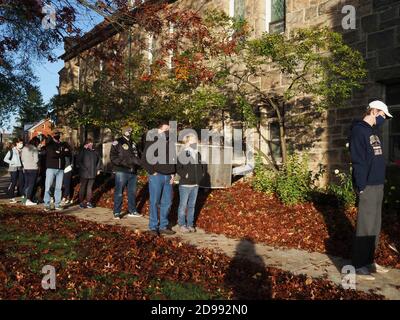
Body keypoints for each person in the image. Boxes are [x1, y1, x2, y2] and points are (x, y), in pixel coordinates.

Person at [350, 100, 393, 281]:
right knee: (365, 225)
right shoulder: (359, 131)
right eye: (383, 115)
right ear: (374, 111)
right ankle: (359, 265)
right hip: (367, 185)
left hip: (378, 184)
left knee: (375, 224)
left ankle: (369, 261)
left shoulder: (373, 132)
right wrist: (361, 186)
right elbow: (358, 160)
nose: (384, 119)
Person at [142, 120, 176, 236]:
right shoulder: (152, 141)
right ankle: (153, 226)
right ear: (159, 130)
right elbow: (145, 160)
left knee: (167, 202)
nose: (167, 132)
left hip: (168, 177)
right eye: (165, 130)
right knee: (154, 201)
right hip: (157, 176)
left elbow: (172, 159)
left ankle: (163, 226)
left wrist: (173, 173)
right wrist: (152, 171)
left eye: (169, 130)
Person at [110, 126, 142, 219]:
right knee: (119, 192)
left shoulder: (133, 142)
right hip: (122, 171)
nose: (129, 132)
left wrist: (139, 164)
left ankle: (132, 211)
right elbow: (113, 157)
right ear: (123, 131)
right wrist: (123, 163)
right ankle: (117, 212)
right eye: (128, 130)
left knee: (132, 192)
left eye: (130, 130)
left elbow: (137, 155)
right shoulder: (117, 142)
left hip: (133, 171)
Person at [176, 134, 206, 233]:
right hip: (185, 184)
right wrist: (186, 175)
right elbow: (178, 168)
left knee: (192, 206)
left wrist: (201, 176)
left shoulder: (198, 154)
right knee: (183, 205)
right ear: (188, 142)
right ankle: (182, 224)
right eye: (193, 140)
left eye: (196, 140)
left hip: (195, 184)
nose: (196, 142)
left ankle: (190, 224)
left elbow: (202, 167)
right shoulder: (183, 153)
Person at [43, 131, 71, 211]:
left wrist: (59, 152)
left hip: (61, 169)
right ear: (52, 136)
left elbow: (68, 153)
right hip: (51, 168)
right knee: (48, 187)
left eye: (58, 134)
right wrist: (62, 152)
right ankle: (47, 204)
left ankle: (57, 204)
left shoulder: (62, 144)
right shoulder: (49, 145)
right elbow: (52, 154)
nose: (57, 135)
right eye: (55, 134)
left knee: (58, 188)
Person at [77, 138, 101, 209]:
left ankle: (88, 202)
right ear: (86, 144)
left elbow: (99, 160)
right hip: (84, 173)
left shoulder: (95, 152)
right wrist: (84, 169)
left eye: (92, 143)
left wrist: (98, 169)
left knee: (89, 188)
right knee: (83, 187)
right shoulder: (83, 151)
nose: (91, 144)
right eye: (90, 143)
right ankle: (81, 202)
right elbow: (79, 161)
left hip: (92, 172)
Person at [3, 139, 24, 203]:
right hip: (13, 168)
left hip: (20, 168)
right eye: (20, 143)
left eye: (22, 143)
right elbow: (5, 159)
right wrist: (12, 162)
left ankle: (23, 199)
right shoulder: (12, 151)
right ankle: (12, 198)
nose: (21, 144)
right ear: (16, 143)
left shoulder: (22, 151)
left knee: (22, 183)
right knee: (13, 183)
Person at [21, 137, 40, 206]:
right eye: (38, 143)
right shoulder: (34, 149)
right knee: (31, 184)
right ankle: (28, 199)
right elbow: (36, 160)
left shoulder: (24, 148)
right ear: (36, 142)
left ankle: (24, 200)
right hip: (33, 168)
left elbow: (22, 158)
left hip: (26, 168)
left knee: (26, 184)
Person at [61, 139, 74, 206]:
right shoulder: (70, 151)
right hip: (68, 168)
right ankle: (68, 198)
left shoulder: (66, 151)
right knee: (68, 184)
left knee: (66, 184)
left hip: (66, 168)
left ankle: (65, 198)